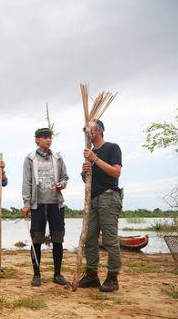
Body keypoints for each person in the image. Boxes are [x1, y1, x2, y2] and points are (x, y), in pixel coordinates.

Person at [79, 120, 123, 292]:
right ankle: (92, 275)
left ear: (97, 131)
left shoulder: (112, 148)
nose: (86, 133)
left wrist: (95, 159)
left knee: (110, 240)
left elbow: (116, 172)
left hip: (109, 197)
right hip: (94, 199)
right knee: (89, 238)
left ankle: (113, 278)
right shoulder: (90, 153)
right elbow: (88, 178)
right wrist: (85, 171)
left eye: (87, 130)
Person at [21, 128, 69, 287]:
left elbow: (65, 177)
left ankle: (57, 274)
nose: (48, 140)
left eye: (50, 137)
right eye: (44, 137)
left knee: (57, 239)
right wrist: (26, 203)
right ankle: (36, 274)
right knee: (36, 240)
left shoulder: (57, 157)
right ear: (37, 140)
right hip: (37, 205)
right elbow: (27, 182)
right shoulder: (30, 159)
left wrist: (61, 184)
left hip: (56, 204)